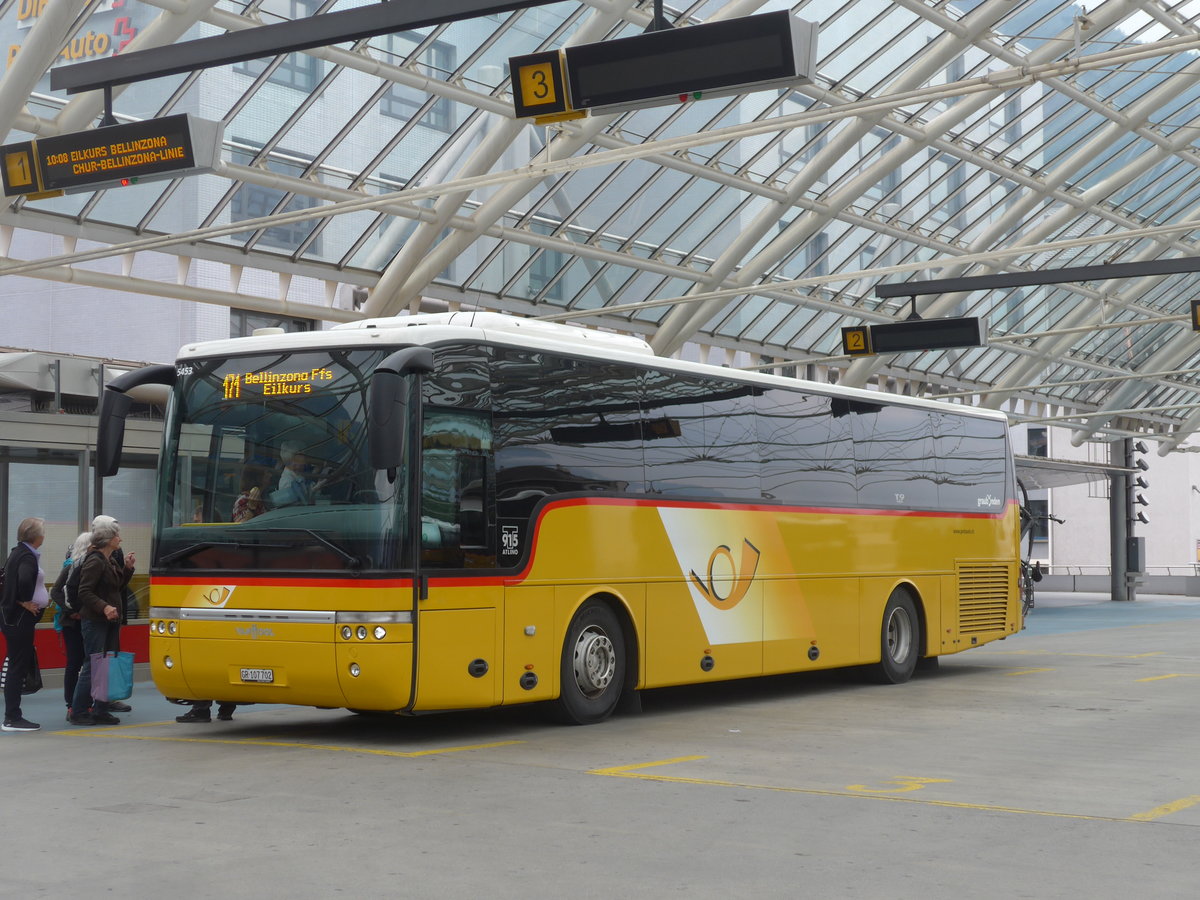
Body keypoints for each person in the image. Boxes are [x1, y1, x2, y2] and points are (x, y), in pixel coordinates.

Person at [68, 520, 133, 726]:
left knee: (105, 664)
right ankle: (78, 711)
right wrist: (104, 607)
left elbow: (115, 587)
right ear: (108, 540)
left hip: (108, 621)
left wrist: (128, 569)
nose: (120, 539)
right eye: (117, 536)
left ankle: (101, 709)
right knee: (93, 664)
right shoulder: (95, 561)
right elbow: (84, 591)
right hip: (96, 620)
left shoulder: (109, 560)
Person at [0, 517, 49, 732]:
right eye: (43, 531)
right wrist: (26, 601)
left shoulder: (18, 552)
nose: (44, 535)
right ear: (36, 536)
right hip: (20, 619)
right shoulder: (27, 556)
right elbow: (23, 580)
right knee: (17, 667)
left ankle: (12, 715)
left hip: (13, 618)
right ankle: (12, 717)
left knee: (16, 665)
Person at [50, 531, 91, 722]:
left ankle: (85, 702)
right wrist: (71, 610)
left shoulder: (91, 565)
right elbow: (56, 591)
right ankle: (71, 704)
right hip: (72, 622)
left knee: (87, 662)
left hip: (85, 620)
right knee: (75, 662)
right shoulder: (70, 567)